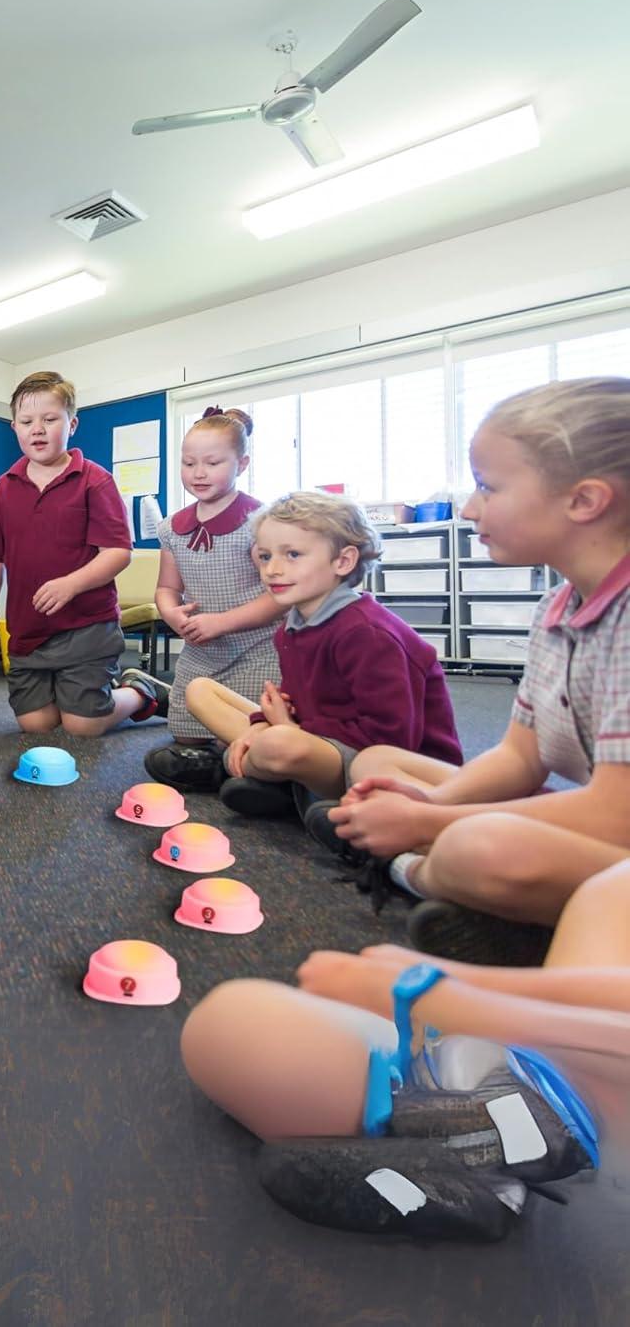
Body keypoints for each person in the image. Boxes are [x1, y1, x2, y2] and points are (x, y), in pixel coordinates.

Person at [317, 378, 630, 966]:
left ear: (584, 501)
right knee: (382, 763)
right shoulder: (555, 607)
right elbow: (519, 757)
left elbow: (616, 813)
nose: (468, 507)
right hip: (601, 828)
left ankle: (418, 872)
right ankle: (478, 890)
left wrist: (429, 818)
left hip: (614, 826)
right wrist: (425, 802)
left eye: (488, 486)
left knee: (477, 848)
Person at [180, 857, 630, 1239]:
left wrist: (437, 993)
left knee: (233, 1026)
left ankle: (500, 1139)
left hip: (572, 1078)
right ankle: (487, 1147)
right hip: (540, 1047)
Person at [178, 491, 461, 823]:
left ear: (343, 561)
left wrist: (281, 728)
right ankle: (272, 778)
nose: (273, 570)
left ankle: (241, 770)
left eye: (293, 554)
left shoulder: (366, 632)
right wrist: (264, 724)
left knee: (279, 746)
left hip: (392, 764)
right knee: (199, 690)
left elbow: (392, 739)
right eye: (266, 556)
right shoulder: (292, 628)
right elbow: (299, 703)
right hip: (321, 741)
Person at [0, 370, 166, 735]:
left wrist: (71, 584)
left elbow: (118, 552)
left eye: (50, 420)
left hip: (86, 626)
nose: (38, 429)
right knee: (37, 725)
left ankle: (140, 693)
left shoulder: (95, 480)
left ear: (72, 424)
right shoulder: (4, 487)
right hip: (28, 630)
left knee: (82, 727)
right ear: (14, 426)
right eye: (27, 421)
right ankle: (78, 696)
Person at [144, 408, 284, 792]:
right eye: (189, 463)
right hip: (202, 649)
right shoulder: (172, 528)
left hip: (259, 648)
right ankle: (228, 760)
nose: (198, 473)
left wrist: (221, 622)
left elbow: (281, 598)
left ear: (242, 463)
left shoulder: (260, 522)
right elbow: (166, 589)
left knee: (249, 731)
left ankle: (231, 763)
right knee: (185, 735)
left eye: (212, 462)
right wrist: (173, 615)